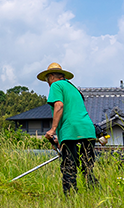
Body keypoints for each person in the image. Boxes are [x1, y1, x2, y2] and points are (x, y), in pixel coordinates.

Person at [39, 62, 98, 194]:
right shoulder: (73, 88)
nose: (48, 82)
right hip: (87, 129)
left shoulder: (56, 85)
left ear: (52, 76)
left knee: (69, 167)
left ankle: (71, 198)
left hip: (71, 130)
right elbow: (72, 113)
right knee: (87, 167)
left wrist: (52, 130)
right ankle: (95, 194)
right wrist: (60, 138)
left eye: (47, 79)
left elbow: (59, 106)